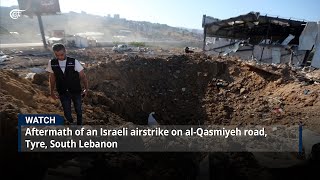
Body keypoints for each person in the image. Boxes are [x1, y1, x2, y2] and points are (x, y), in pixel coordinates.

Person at [46, 43, 88, 125]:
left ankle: (79, 126)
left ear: (65, 51)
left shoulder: (74, 62)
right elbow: (52, 78)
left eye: (61, 54)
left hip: (75, 91)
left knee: (78, 110)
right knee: (67, 112)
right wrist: (51, 92)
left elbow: (83, 76)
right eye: (57, 55)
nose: (60, 57)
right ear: (54, 53)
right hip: (62, 92)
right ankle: (71, 123)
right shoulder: (52, 63)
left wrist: (86, 89)